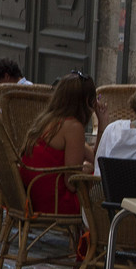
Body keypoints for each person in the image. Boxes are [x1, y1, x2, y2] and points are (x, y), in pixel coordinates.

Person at [19, 71, 108, 216]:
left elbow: (94, 157)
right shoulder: (73, 127)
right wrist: (86, 170)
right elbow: (72, 183)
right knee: (107, 187)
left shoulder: (49, 119)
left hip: (33, 196)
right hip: (54, 203)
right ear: (87, 101)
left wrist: (102, 124)